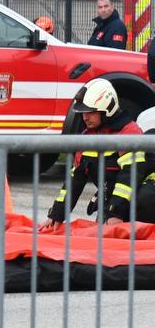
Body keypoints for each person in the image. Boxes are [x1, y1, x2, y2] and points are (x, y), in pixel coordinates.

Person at [40, 79, 143, 231]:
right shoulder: (88, 137)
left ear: (107, 109)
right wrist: (56, 214)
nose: (85, 117)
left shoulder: (129, 133)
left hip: (139, 204)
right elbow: (75, 180)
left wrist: (115, 212)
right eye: (83, 112)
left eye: (90, 112)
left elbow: (130, 177)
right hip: (112, 205)